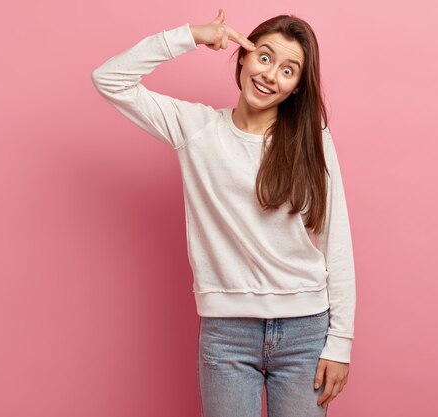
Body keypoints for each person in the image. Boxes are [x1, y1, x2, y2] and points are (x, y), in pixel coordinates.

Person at [91, 9, 356, 417]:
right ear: (243, 58)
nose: (270, 75)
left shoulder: (313, 140)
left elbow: (337, 240)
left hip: (307, 330)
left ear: (298, 87)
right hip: (227, 334)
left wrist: (340, 342)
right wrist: (192, 36)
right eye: (264, 57)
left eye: (289, 70)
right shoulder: (196, 129)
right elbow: (109, 79)